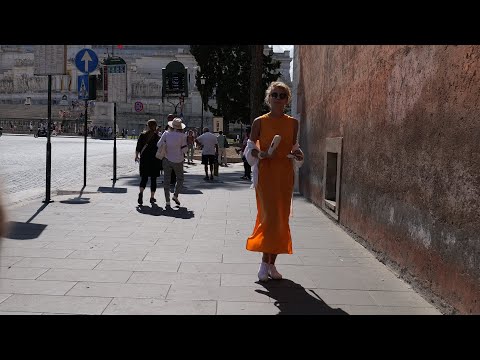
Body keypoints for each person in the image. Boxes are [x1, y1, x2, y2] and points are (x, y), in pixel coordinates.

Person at [244, 81, 304, 282]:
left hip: (285, 175)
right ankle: (263, 263)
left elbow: (294, 148)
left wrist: (298, 154)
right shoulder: (259, 122)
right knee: (268, 219)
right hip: (266, 175)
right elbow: (249, 148)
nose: (278, 98)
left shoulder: (293, 123)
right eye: (275, 95)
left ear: (287, 100)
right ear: (268, 98)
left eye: (282, 95)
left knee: (281, 219)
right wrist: (260, 153)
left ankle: (272, 265)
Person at [157, 117, 187, 207]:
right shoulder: (182, 136)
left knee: (166, 180)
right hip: (178, 160)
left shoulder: (166, 133)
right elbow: (184, 150)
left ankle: (167, 201)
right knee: (180, 178)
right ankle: (175, 195)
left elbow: (158, 144)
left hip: (166, 159)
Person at [134, 119, 162, 205]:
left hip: (144, 160)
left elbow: (138, 147)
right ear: (155, 126)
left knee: (144, 178)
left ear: (147, 126)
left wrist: (136, 156)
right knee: (153, 179)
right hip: (154, 160)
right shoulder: (157, 137)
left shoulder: (142, 135)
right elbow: (160, 149)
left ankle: (141, 193)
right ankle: (152, 197)